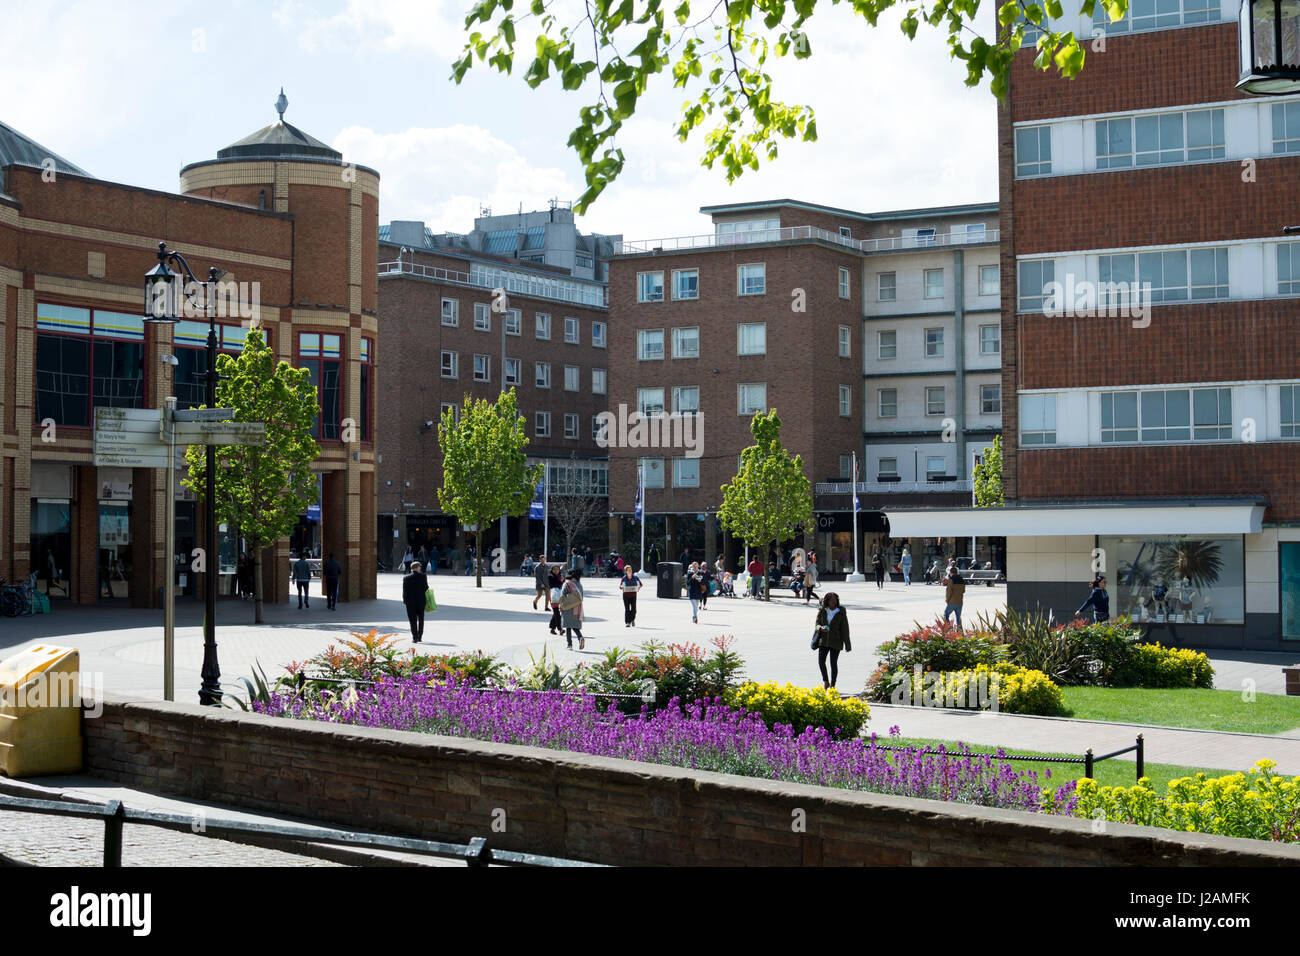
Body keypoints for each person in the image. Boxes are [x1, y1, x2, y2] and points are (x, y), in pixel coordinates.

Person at [813, 592, 851, 690]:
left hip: (836, 641)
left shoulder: (841, 612)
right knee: (821, 661)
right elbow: (816, 624)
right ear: (827, 601)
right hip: (823, 640)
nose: (833, 602)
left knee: (833, 663)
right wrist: (820, 628)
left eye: (835, 600)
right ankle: (826, 681)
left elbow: (845, 629)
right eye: (831, 600)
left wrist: (847, 644)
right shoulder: (822, 610)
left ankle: (833, 685)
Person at [402, 561, 429, 643]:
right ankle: (420, 636)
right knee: (421, 619)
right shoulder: (423, 576)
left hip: (410, 602)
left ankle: (414, 637)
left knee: (412, 620)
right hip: (421, 601)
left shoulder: (406, 578)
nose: (420, 568)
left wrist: (405, 600)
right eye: (419, 567)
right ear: (417, 568)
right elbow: (426, 588)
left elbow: (405, 591)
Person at [560, 569, 585, 649]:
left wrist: (561, 605)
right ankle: (580, 637)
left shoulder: (567, 584)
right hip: (577, 607)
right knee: (574, 625)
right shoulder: (580, 585)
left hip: (568, 606)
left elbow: (563, 595)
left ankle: (569, 644)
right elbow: (581, 597)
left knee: (568, 626)